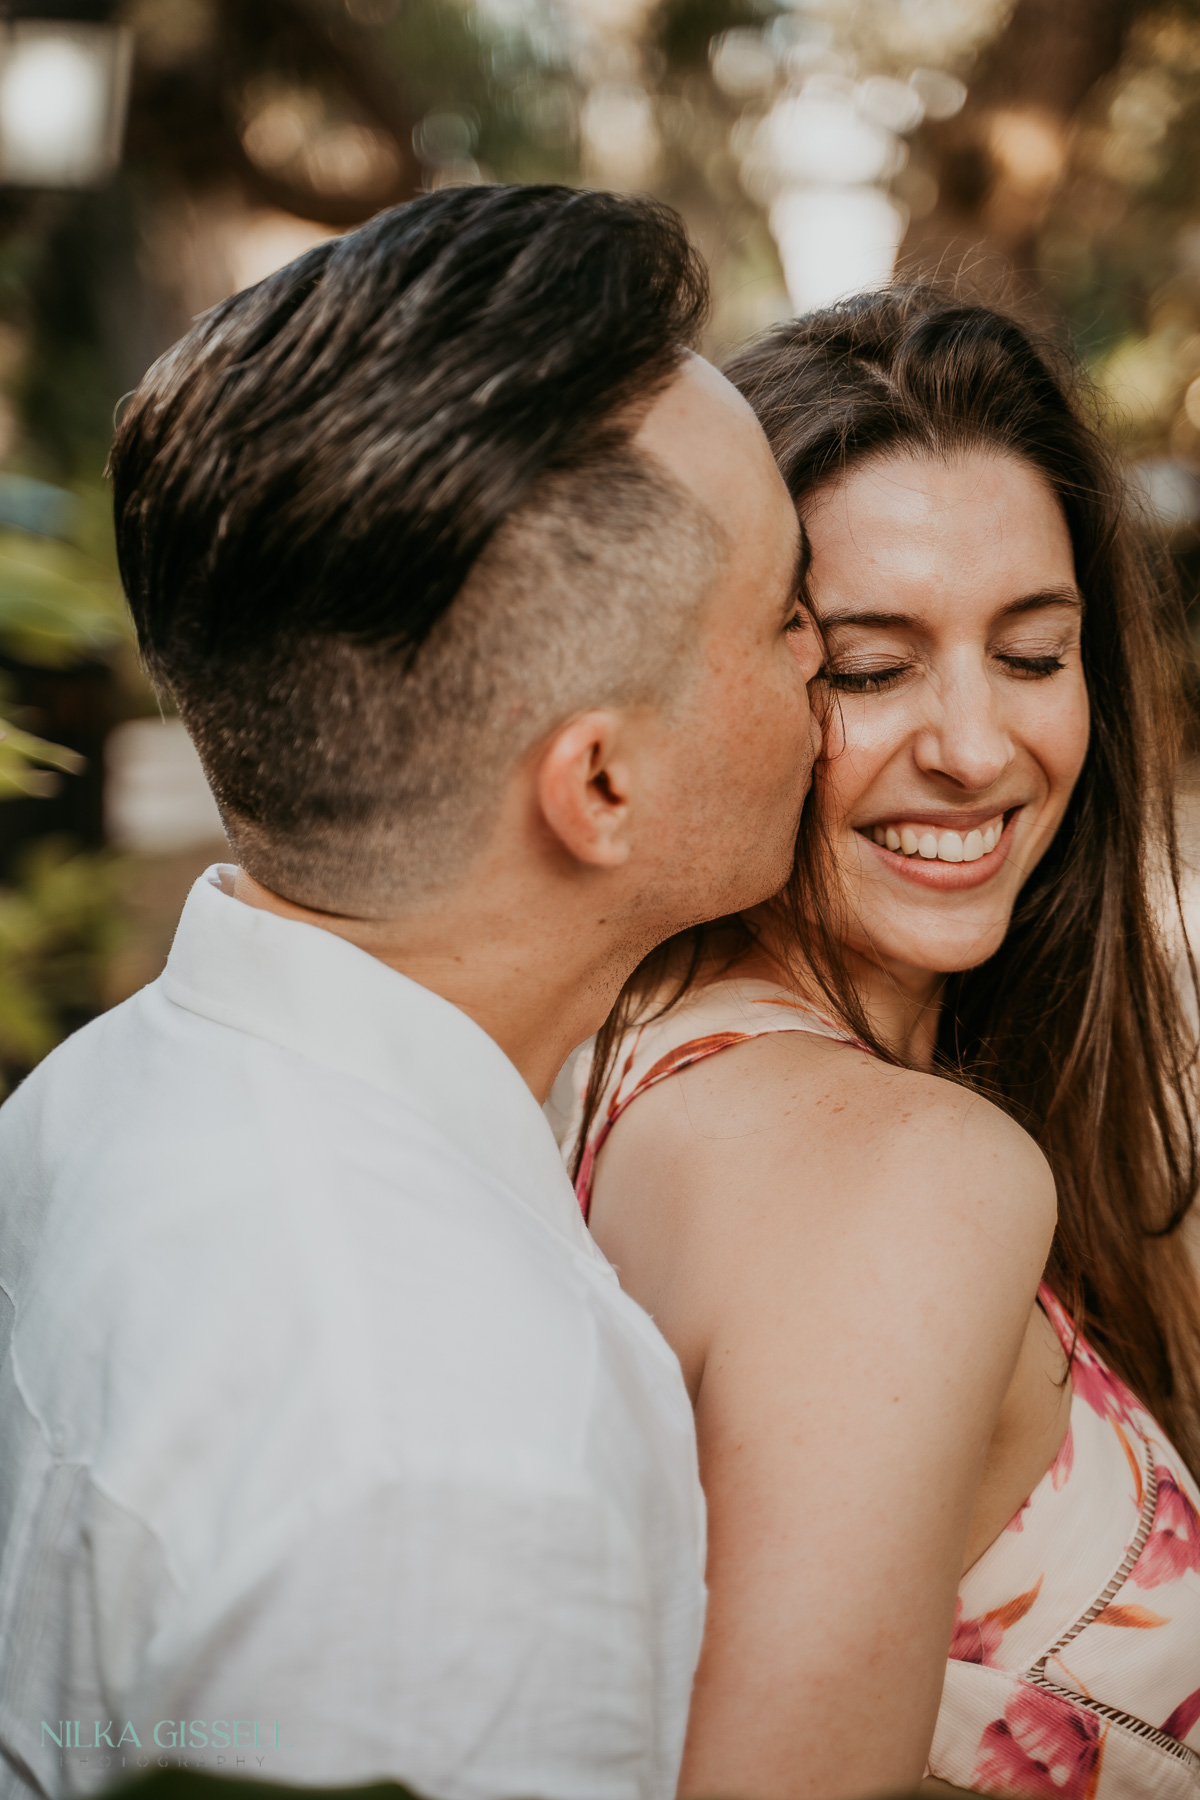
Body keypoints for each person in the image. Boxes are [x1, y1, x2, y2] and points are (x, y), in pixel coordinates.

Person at [0, 186, 825, 1800]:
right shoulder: (447, 1456)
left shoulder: (100, 1099)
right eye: (785, 612)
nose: (825, 658)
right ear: (598, 785)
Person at [577, 288, 1200, 1800]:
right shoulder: (899, 1178)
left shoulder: (643, 1052)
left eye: (1036, 655)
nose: (978, 749)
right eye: (871, 666)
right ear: (720, 679)